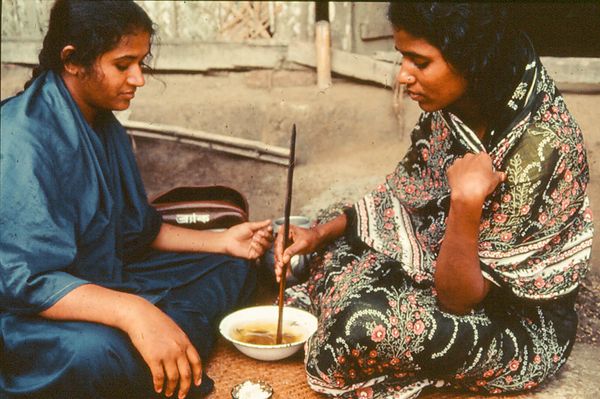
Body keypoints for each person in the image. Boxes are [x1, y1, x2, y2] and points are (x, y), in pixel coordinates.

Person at [274, 3, 593, 398]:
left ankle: (333, 311)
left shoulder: (541, 147)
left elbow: (457, 300)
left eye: (420, 62)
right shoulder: (462, 98)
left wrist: (465, 203)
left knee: (360, 327)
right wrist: (318, 233)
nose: (403, 76)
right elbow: (405, 191)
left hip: (515, 322)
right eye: (402, 57)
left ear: (469, 60)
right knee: (335, 232)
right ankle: (334, 295)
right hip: (447, 258)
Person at [0, 1, 273, 398]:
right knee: (96, 356)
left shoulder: (100, 118)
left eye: (141, 64)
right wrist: (135, 312)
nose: (138, 79)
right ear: (73, 60)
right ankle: (164, 339)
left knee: (237, 267)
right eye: (124, 64)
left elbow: (137, 230)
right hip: (35, 315)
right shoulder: (19, 139)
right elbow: (27, 283)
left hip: (109, 278)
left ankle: (166, 339)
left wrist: (223, 241)